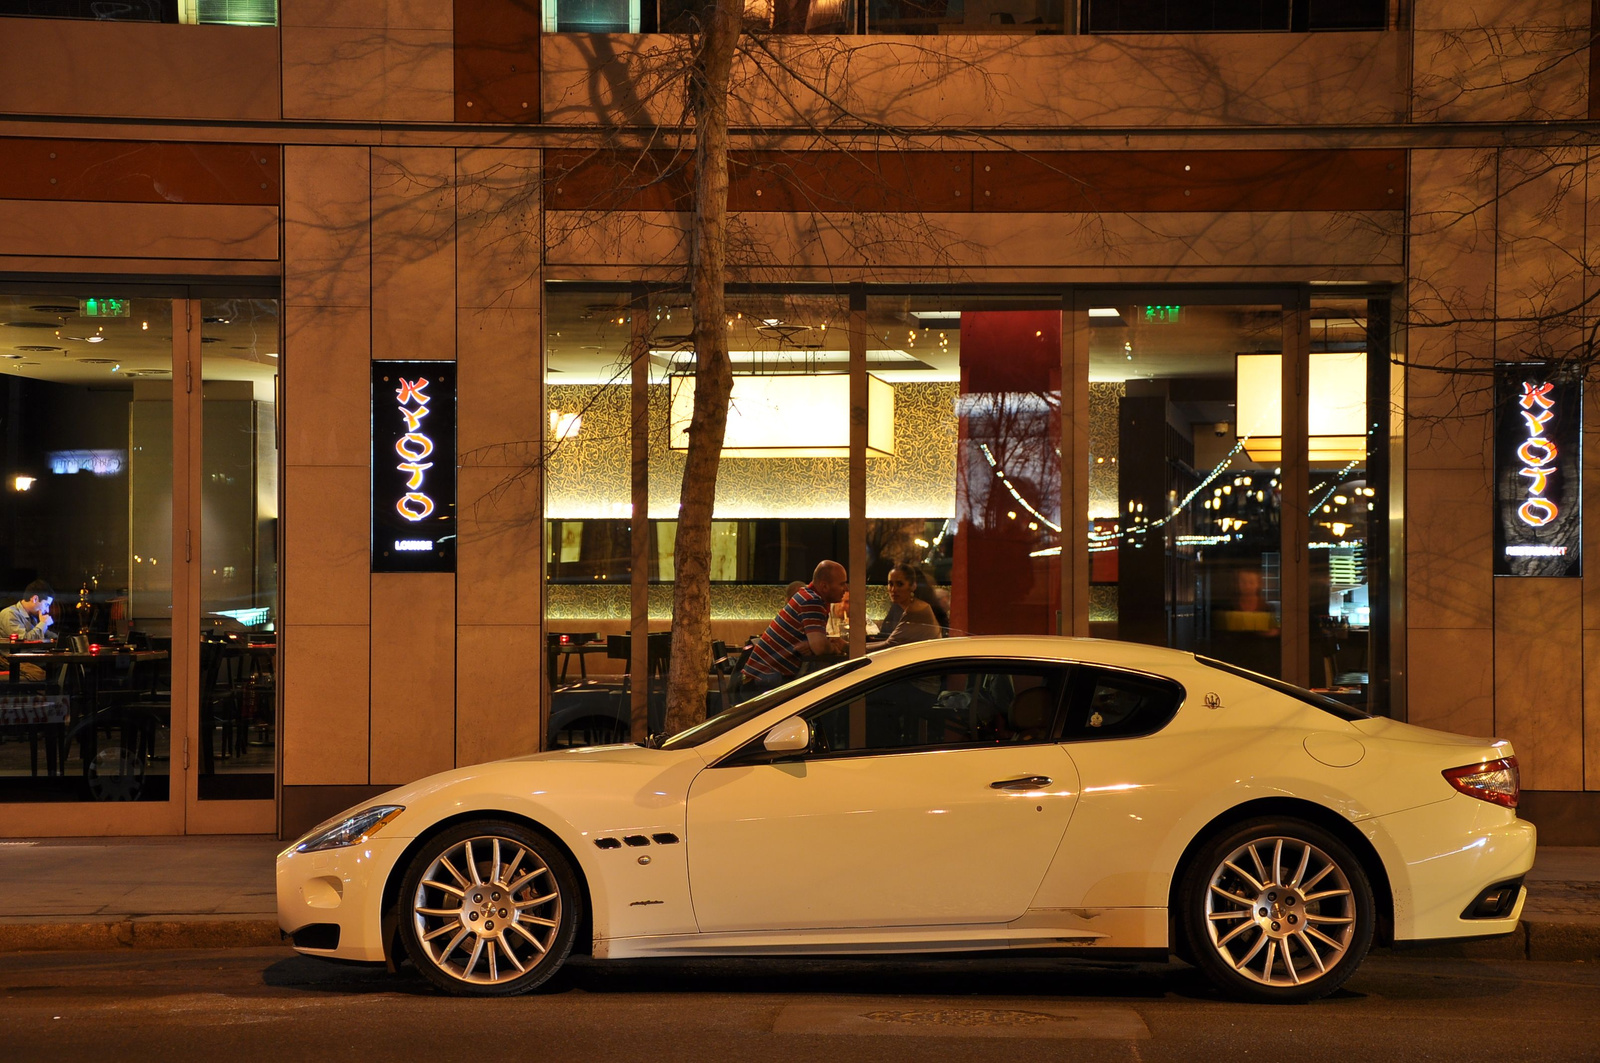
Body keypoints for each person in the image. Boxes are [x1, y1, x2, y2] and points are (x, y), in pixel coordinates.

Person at [740, 560, 848, 694]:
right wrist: (835, 647)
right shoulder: (811, 601)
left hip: (761, 678)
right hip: (762, 682)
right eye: (842, 584)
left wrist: (813, 644)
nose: (846, 589)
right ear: (824, 586)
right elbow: (820, 647)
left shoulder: (807, 596)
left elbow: (816, 644)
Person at [867, 563, 943, 650]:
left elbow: (890, 645)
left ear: (913, 586)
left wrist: (853, 648)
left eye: (899, 584)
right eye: (890, 584)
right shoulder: (902, 607)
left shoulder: (917, 610)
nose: (893, 589)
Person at [1, 580, 56, 682]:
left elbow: (45, 634)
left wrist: (60, 639)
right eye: (46, 605)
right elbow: (24, 641)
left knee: (60, 664)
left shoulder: (32, 616)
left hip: (26, 657)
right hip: (10, 660)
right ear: (35, 599)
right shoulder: (10, 614)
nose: (47, 610)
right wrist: (43, 623)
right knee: (44, 674)